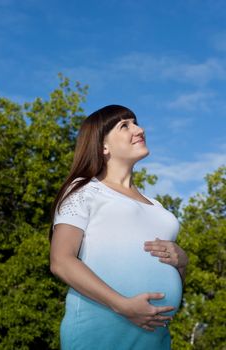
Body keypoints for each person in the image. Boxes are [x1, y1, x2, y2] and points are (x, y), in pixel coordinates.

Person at [50, 105, 188, 350]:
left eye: (135, 122)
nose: (139, 129)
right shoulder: (84, 191)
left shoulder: (157, 207)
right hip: (100, 332)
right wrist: (122, 305)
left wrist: (181, 261)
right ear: (103, 147)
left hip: (154, 337)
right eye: (125, 126)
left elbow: (169, 276)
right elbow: (61, 261)